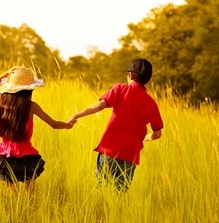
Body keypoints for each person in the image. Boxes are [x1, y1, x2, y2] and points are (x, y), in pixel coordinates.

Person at [68, 58, 163, 192]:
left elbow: (100, 106)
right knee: (120, 193)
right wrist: (147, 137)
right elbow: (158, 134)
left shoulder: (121, 89)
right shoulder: (151, 103)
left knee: (102, 189)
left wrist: (77, 115)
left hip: (109, 150)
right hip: (130, 155)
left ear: (131, 75)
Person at [0, 66, 75, 189]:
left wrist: (6, 73)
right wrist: (67, 124)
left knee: (12, 190)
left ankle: (15, 208)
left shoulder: (3, 101)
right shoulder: (31, 106)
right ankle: (31, 208)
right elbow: (54, 124)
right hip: (25, 153)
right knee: (30, 189)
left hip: (6, 153)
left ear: (10, 88)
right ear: (29, 90)